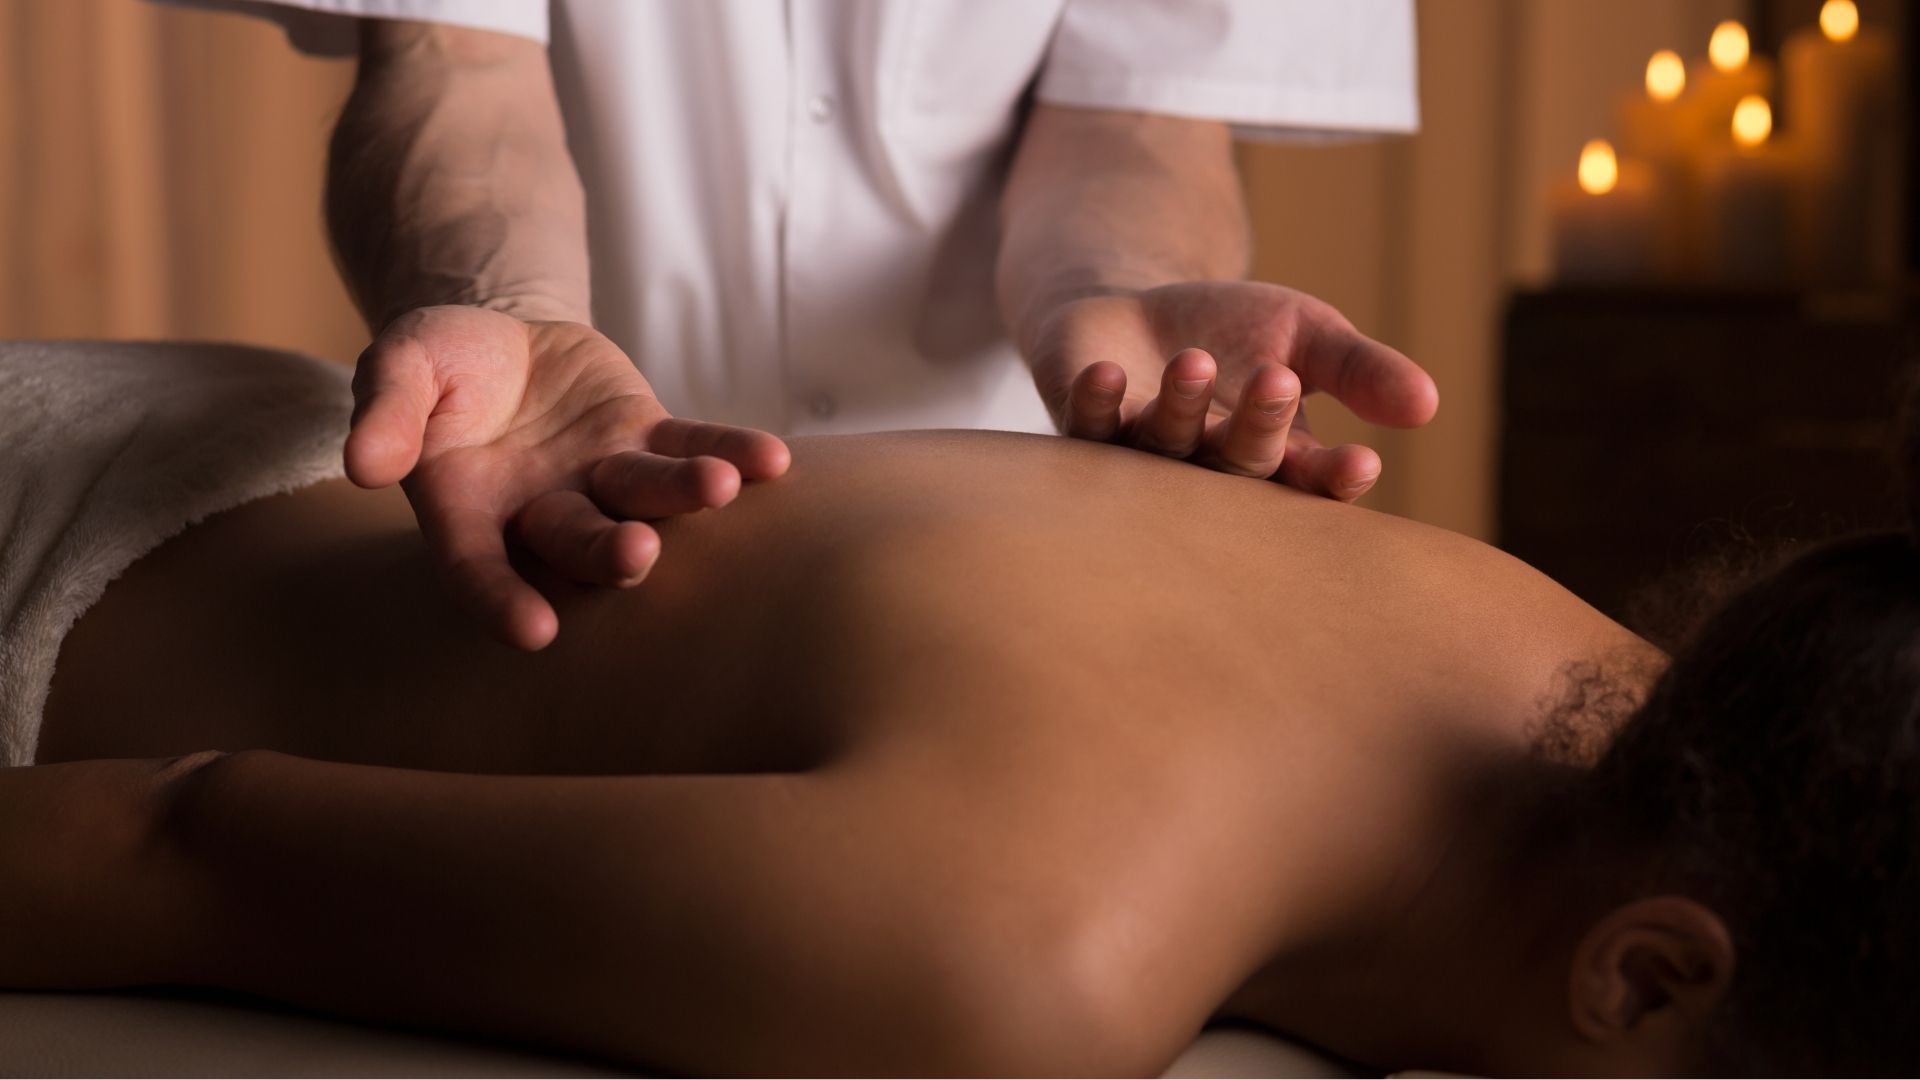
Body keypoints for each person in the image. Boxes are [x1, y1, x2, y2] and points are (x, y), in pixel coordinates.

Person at [5, 342, 1915, 1075]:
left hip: (227, 427)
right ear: (1650, 979)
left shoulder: (1675, 715)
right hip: (57, 591)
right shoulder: (1026, 951)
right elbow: (178, 839)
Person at [151, 1, 1440, 649]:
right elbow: (452, 59)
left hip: (1024, 563)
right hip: (576, 513)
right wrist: (509, 313)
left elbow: (1137, 120)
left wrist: (1120, 295)